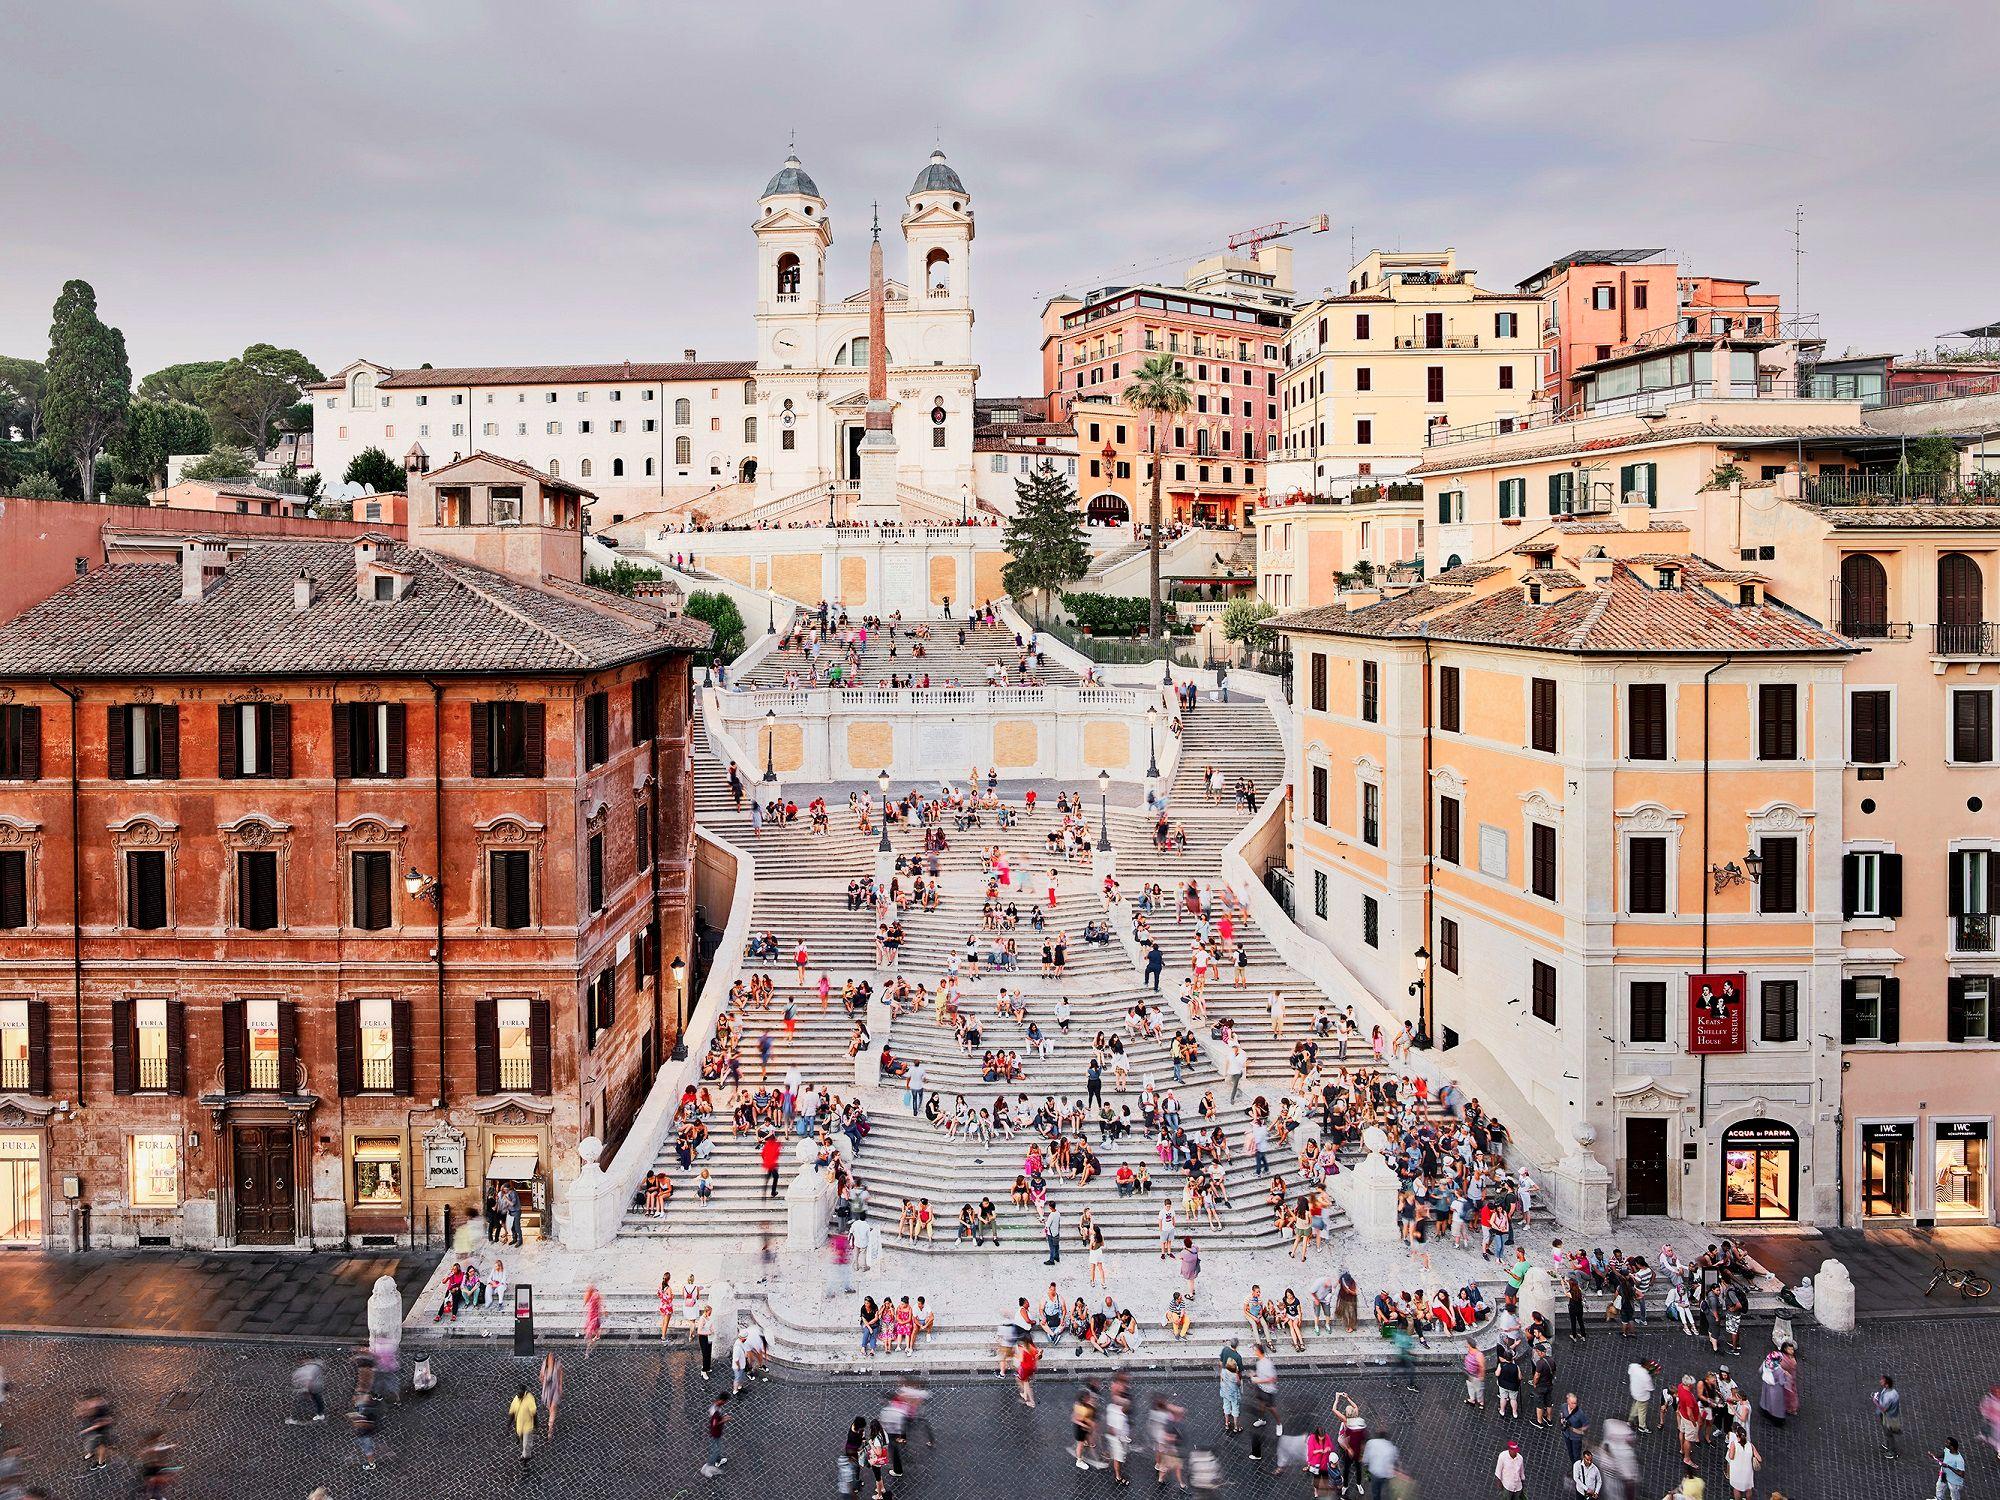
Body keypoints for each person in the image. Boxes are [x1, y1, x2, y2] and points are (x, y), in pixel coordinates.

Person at [508, 1383, 538, 1466]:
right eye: (517, 1393)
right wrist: (508, 1426)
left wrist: (536, 1425)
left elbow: (534, 1414)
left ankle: (525, 1462)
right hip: (519, 1427)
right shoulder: (516, 1399)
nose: (518, 1395)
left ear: (524, 1392)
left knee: (526, 1445)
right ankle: (524, 1455)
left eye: (520, 1393)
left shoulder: (529, 1399)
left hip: (528, 1427)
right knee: (522, 1444)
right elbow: (512, 1413)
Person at [1875, 1373, 1903, 1458]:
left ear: (1887, 1384)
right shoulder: (1891, 1391)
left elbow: (1883, 1409)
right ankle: (1888, 1446)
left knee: (1888, 1434)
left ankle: (1892, 1451)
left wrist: (1875, 1401)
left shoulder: (1889, 1396)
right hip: (1889, 1416)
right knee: (1887, 1432)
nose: (1880, 1381)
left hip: (1888, 1417)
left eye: (1882, 1381)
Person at [702, 1393, 730, 1477]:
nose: (725, 1403)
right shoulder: (716, 1412)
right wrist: (724, 1420)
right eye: (725, 1401)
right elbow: (714, 1424)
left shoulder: (715, 1406)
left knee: (717, 1447)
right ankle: (707, 1467)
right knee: (716, 1449)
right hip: (715, 1433)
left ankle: (718, 1460)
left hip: (716, 1432)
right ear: (721, 1400)